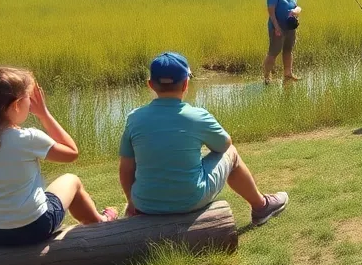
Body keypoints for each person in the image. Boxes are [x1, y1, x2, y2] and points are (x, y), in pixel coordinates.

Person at [119, 52, 288, 227]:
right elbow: (224, 144)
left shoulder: (134, 118)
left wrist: (132, 202)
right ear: (186, 84)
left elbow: (125, 169)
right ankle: (261, 206)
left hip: (145, 204)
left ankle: (261, 206)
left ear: (150, 84)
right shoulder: (198, 116)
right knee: (232, 153)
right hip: (191, 200)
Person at [0, 67, 117, 247]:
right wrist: (43, 113)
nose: (31, 103)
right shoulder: (27, 138)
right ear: (16, 104)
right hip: (35, 226)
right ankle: (99, 221)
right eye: (29, 98)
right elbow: (71, 153)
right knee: (71, 180)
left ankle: (96, 220)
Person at [264, 0, 301, 85]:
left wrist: (295, 11)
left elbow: (298, 7)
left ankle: (288, 74)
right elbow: (271, 13)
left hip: (290, 27)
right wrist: (276, 27)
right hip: (277, 28)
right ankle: (266, 77)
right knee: (273, 52)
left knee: (288, 51)